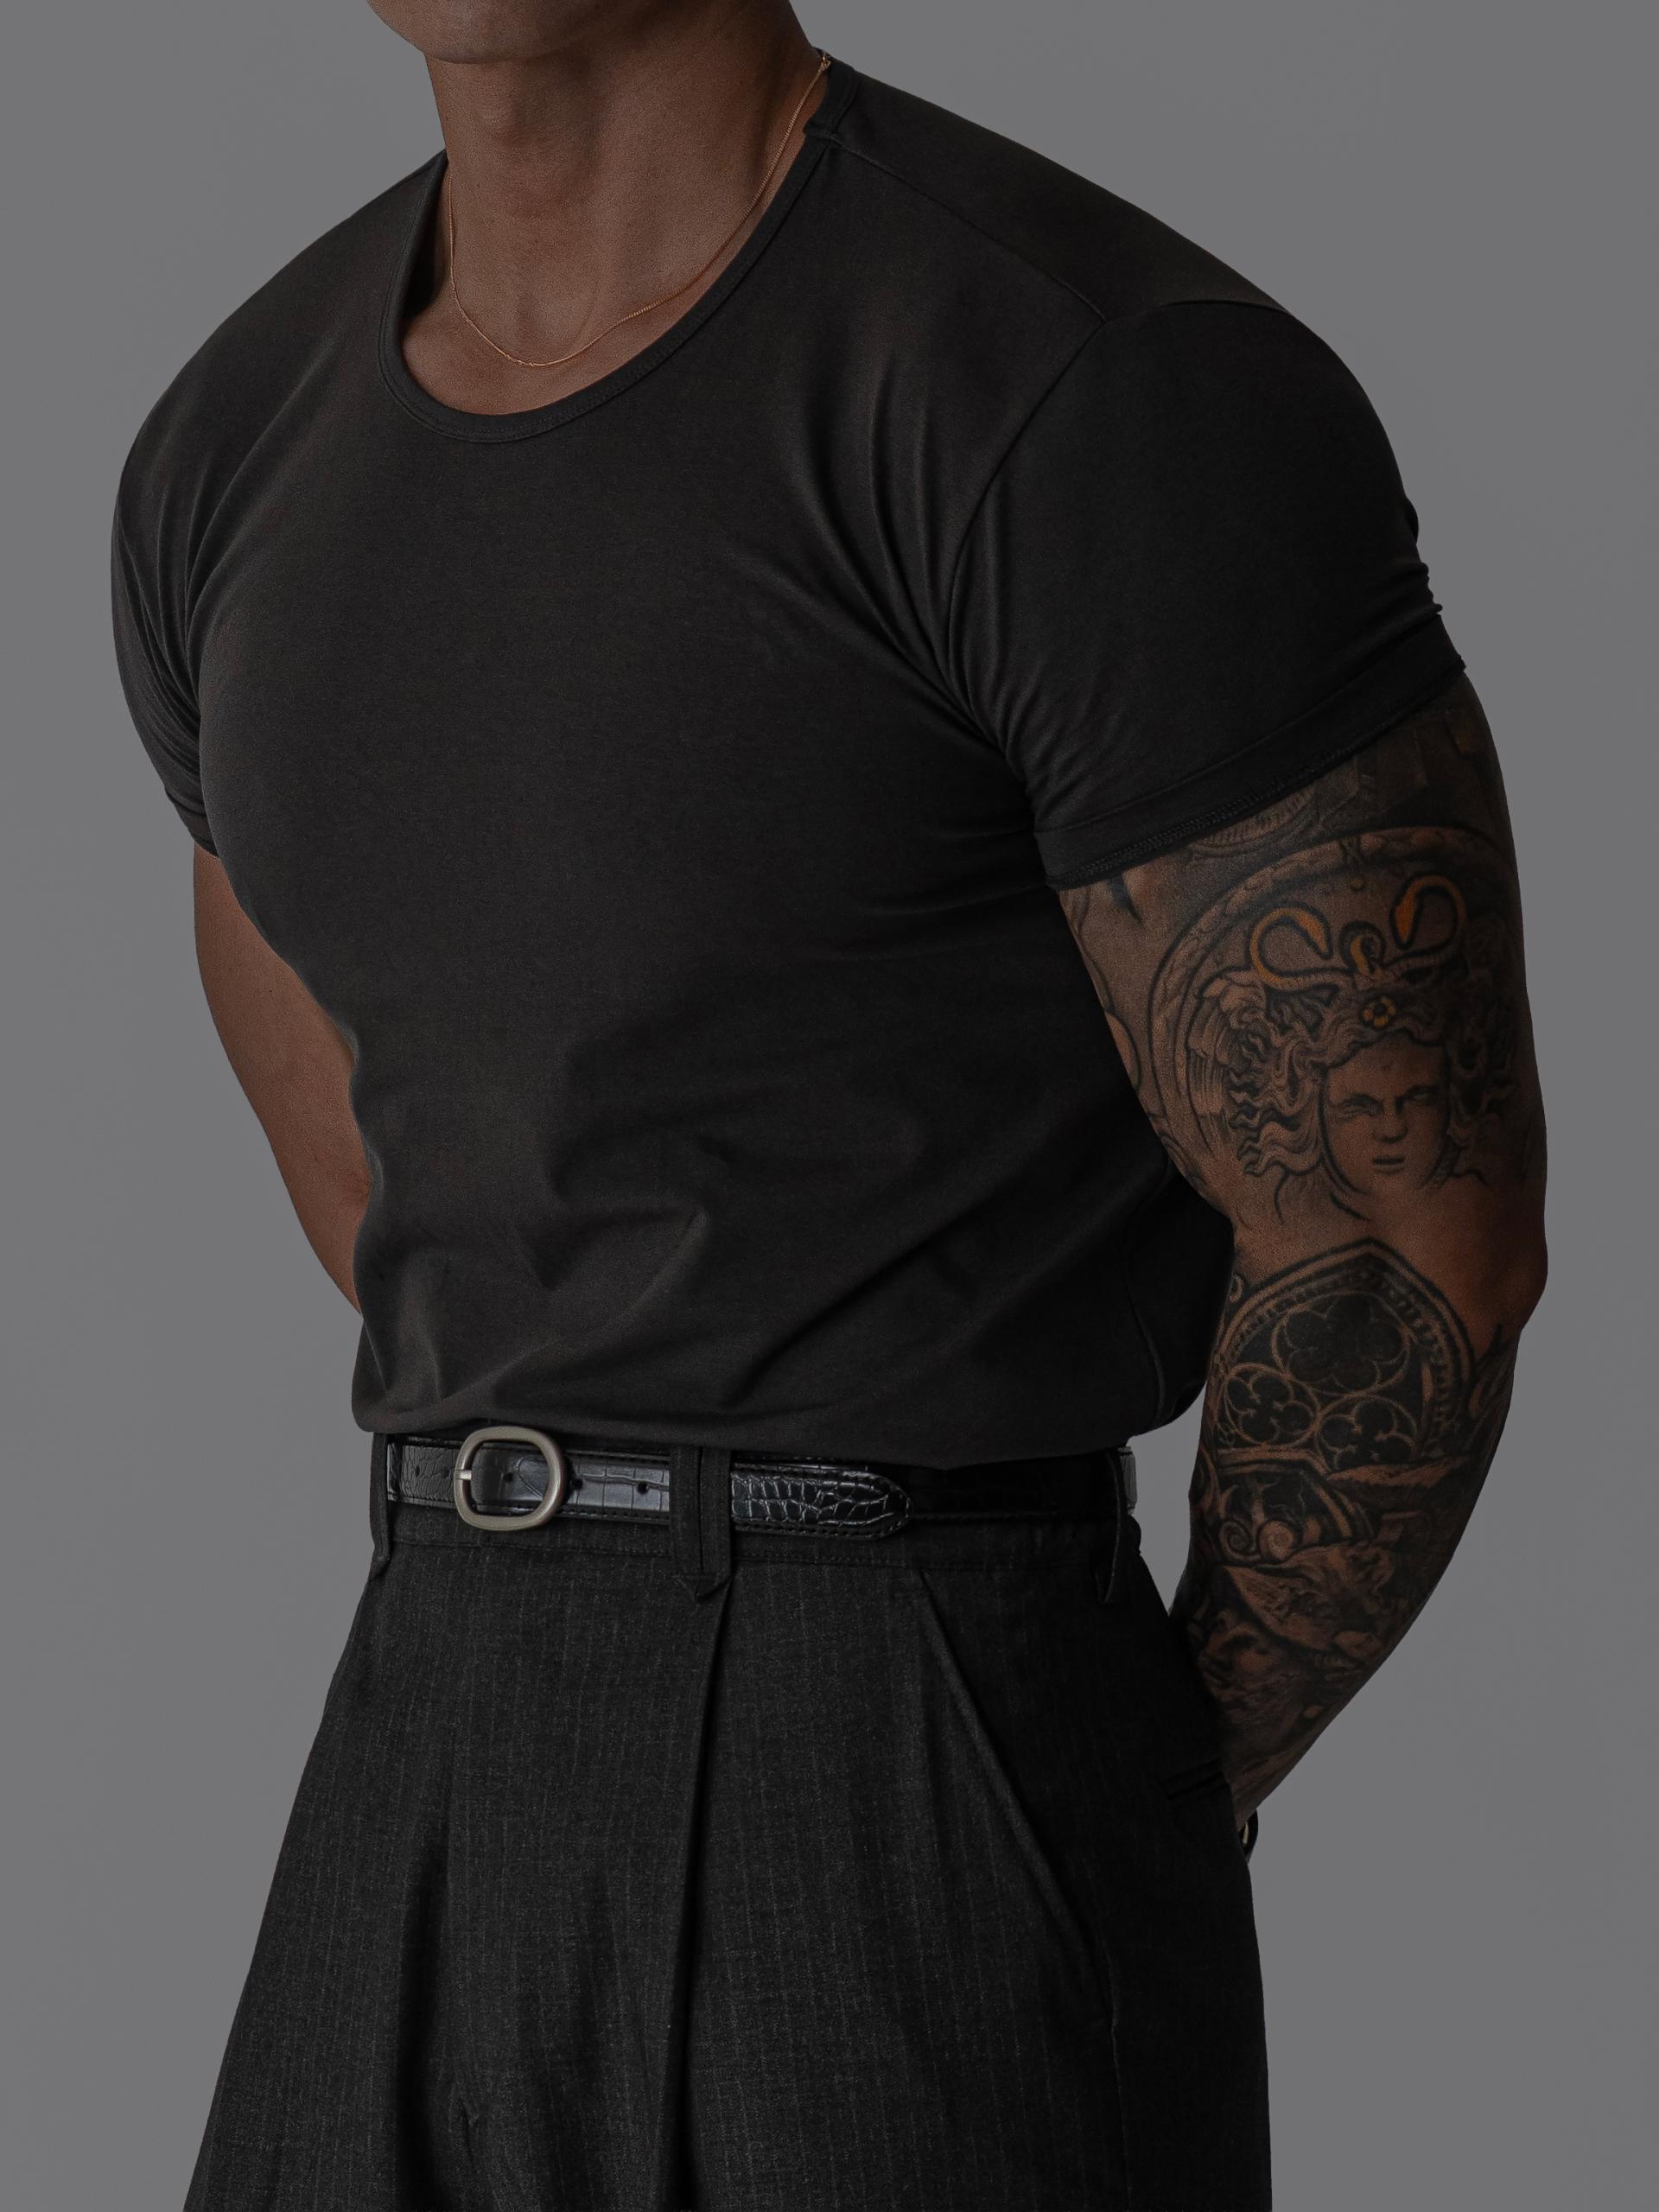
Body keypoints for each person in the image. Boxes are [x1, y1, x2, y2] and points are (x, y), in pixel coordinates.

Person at [110, 3, 1547, 2206]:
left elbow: (1399, 1231)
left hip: (920, 1710)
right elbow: (393, 1162)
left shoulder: (1086, 388)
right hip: (431, 1689)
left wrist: (1095, 1780)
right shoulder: (232, 448)